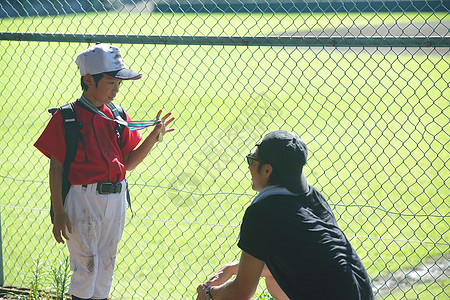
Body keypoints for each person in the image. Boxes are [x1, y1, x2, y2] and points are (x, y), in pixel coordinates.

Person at [34, 43, 175, 300]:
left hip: (116, 199)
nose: (117, 88)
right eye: (111, 82)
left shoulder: (117, 115)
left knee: (105, 269)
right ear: (89, 80)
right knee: (85, 271)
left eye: (118, 83)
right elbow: (56, 168)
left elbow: (129, 163)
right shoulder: (67, 117)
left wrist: (153, 137)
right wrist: (59, 211)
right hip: (83, 200)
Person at [196, 130, 374, 300]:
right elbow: (298, 262)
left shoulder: (263, 212)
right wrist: (232, 269)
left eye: (251, 159)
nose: (249, 166)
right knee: (273, 281)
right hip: (360, 291)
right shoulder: (313, 196)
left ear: (267, 170)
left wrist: (209, 294)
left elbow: (241, 293)